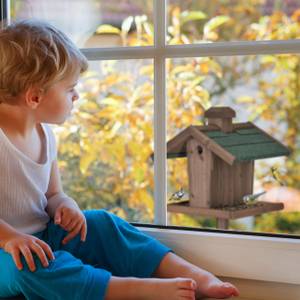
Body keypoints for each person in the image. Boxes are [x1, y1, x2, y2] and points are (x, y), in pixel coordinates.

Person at [0, 20, 240, 300]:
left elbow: (52, 193)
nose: (76, 96)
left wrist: (65, 205)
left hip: (42, 238)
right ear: (35, 96)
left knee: (102, 224)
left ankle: (196, 275)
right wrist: (11, 238)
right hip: (6, 254)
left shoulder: (45, 134)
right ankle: (132, 289)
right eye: (70, 89)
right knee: (30, 269)